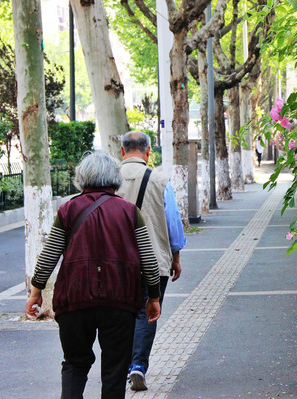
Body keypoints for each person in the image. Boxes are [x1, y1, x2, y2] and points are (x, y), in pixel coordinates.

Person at [26, 151, 161, 399]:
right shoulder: (129, 211)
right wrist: (153, 297)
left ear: (82, 178)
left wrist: (36, 291)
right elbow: (149, 261)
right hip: (119, 301)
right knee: (115, 368)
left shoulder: (68, 210)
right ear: (114, 178)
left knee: (74, 363)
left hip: (74, 299)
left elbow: (49, 255)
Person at [117, 130, 187, 391]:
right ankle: (137, 366)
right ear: (148, 152)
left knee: (121, 313)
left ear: (122, 152)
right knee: (147, 313)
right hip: (155, 262)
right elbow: (172, 222)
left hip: (118, 263)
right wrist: (176, 256)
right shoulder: (159, 180)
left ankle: (121, 365)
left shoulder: (109, 179)